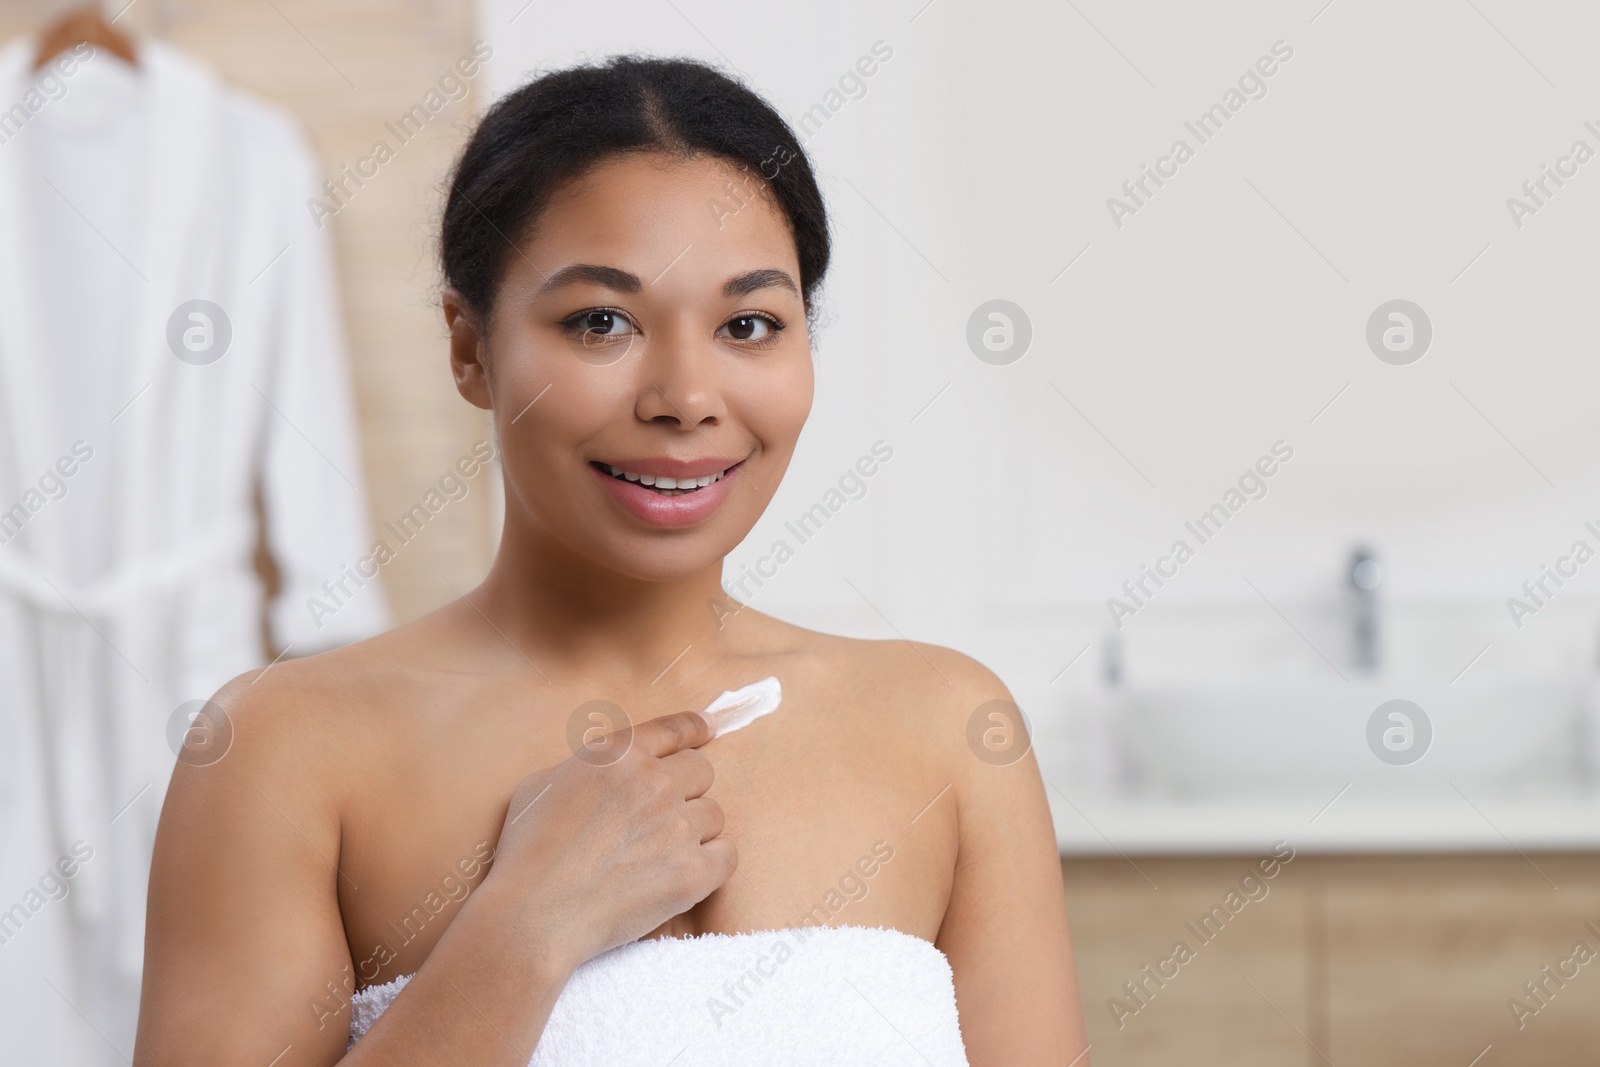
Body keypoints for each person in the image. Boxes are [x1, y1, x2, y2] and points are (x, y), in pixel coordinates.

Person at [133, 54, 1086, 1066]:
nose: (683, 394)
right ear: (469, 346)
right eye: (601, 321)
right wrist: (524, 925)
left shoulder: (946, 730)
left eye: (749, 324)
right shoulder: (283, 751)